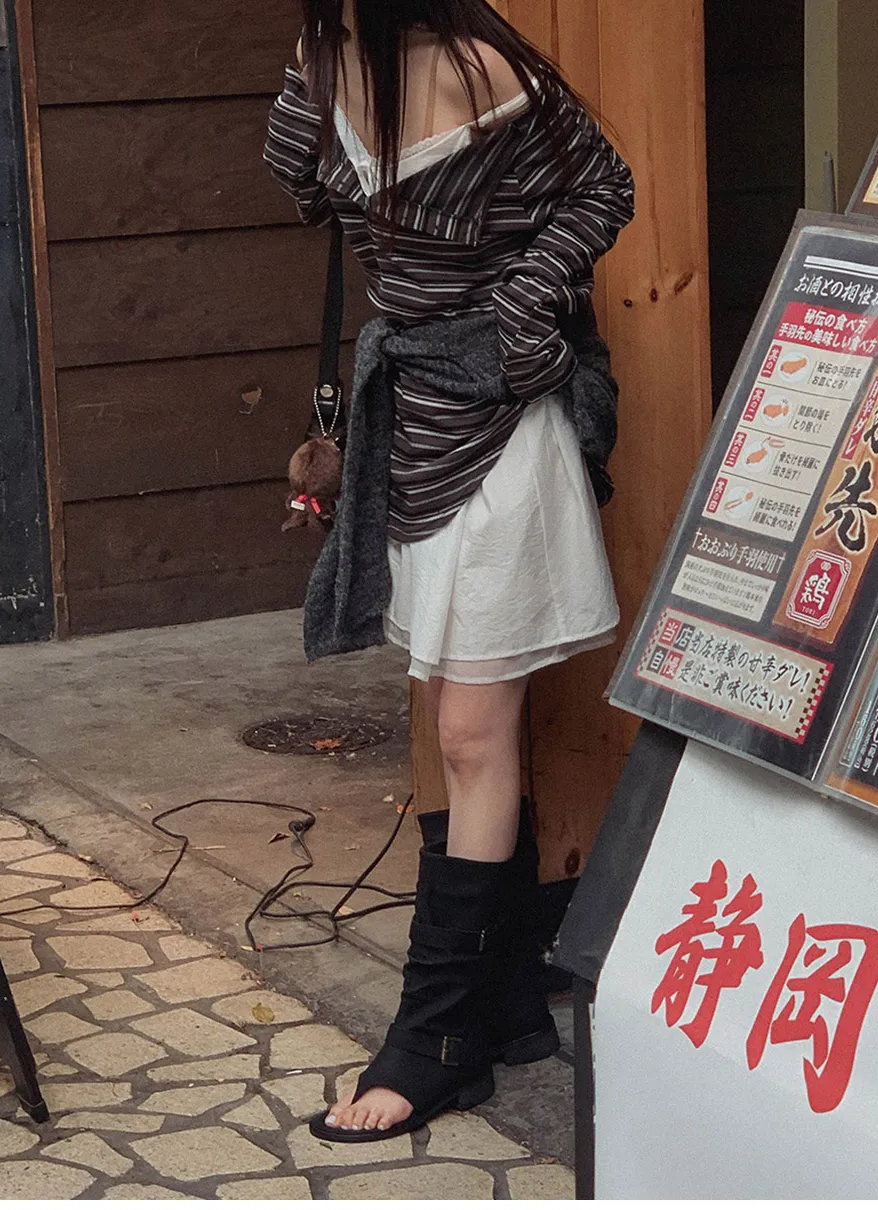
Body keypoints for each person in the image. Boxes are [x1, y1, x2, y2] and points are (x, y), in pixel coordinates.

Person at [263, 0, 634, 1144]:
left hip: (503, 435)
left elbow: (603, 188)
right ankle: (505, 1004)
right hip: (412, 422)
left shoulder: (481, 62)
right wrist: (310, 86)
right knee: (461, 724)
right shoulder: (326, 58)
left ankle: (434, 1041)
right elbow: (296, 177)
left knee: (470, 734)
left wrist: (520, 303)